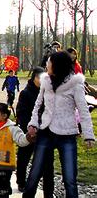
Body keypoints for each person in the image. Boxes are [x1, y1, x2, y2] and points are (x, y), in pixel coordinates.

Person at [24, 51, 95, 197]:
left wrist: (88, 135)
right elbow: (38, 105)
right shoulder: (46, 81)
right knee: (34, 173)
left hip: (67, 134)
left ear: (57, 65)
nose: (47, 65)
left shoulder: (75, 84)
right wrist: (33, 124)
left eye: (49, 63)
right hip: (46, 132)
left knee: (69, 179)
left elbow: (83, 111)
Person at [15, 66, 54, 194]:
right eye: (39, 77)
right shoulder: (26, 93)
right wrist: (30, 128)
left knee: (44, 161)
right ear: (34, 78)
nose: (41, 80)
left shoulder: (47, 92)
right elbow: (21, 112)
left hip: (44, 131)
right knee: (23, 158)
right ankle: (21, 182)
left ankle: (45, 186)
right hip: (29, 131)